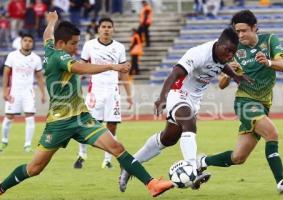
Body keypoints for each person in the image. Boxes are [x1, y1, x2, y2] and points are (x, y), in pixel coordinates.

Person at [0, 11, 173, 198]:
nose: (76, 47)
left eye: (77, 43)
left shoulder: (50, 47)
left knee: (117, 148)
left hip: (82, 118)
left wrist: (52, 22)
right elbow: (81, 68)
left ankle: (152, 184)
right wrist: (111, 66)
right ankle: (2, 187)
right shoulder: (60, 57)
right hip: (59, 123)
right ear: (61, 44)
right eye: (73, 43)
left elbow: (47, 35)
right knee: (34, 168)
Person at [119, 27, 253, 192]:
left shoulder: (222, 54)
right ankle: (193, 170)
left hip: (194, 100)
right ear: (218, 44)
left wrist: (235, 76)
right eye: (228, 50)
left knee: (168, 139)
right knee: (189, 123)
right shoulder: (198, 53)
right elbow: (174, 73)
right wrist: (162, 97)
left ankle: (130, 165)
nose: (230, 55)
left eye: (233, 52)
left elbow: (222, 65)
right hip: (178, 92)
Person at [197, 10, 283, 196]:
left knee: (238, 157)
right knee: (272, 133)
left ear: (254, 28)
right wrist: (228, 73)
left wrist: (267, 62)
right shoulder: (234, 51)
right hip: (245, 103)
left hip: (263, 105)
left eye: (244, 31)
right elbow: (221, 84)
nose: (240, 35)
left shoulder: (269, 40)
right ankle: (281, 183)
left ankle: (202, 162)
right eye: (237, 31)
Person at [73, 17, 133, 169]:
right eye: (103, 26)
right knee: (89, 125)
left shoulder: (119, 47)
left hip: (113, 92)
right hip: (95, 92)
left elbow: (124, 72)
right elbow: (81, 67)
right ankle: (81, 154)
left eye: (109, 27)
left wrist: (129, 94)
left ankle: (107, 160)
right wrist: (76, 88)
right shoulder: (90, 45)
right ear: (98, 29)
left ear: (113, 29)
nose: (106, 29)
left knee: (112, 126)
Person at [0, 33, 46, 153]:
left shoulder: (36, 58)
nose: (27, 43)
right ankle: (4, 141)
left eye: (30, 41)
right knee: (9, 117)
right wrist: (4, 90)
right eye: (25, 40)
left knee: (30, 117)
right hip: (14, 92)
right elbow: (5, 73)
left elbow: (40, 77)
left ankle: (27, 145)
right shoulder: (12, 56)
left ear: (32, 43)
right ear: (21, 42)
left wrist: (42, 93)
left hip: (28, 93)